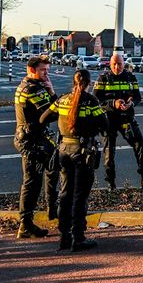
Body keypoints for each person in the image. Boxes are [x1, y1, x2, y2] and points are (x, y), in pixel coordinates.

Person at [40, 69, 107, 251]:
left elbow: (44, 118)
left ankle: (64, 237)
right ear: (88, 83)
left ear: (73, 82)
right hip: (83, 152)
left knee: (65, 194)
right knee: (80, 196)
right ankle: (78, 237)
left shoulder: (62, 99)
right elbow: (105, 124)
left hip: (64, 151)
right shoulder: (91, 101)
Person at [13, 55, 60, 238]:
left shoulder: (30, 85)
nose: (47, 74)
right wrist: (52, 93)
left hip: (38, 138)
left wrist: (49, 90)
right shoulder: (32, 89)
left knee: (53, 167)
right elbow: (50, 115)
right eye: (43, 70)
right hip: (32, 141)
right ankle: (25, 224)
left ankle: (52, 208)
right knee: (32, 182)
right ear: (31, 70)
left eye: (47, 70)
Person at [93, 53, 143, 192]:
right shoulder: (103, 78)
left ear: (124, 64)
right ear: (110, 64)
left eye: (119, 64)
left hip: (127, 118)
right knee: (109, 152)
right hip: (109, 120)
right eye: (114, 64)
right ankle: (111, 183)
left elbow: (138, 97)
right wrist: (113, 103)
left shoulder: (131, 77)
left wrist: (131, 103)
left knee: (140, 146)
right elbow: (95, 101)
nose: (116, 67)